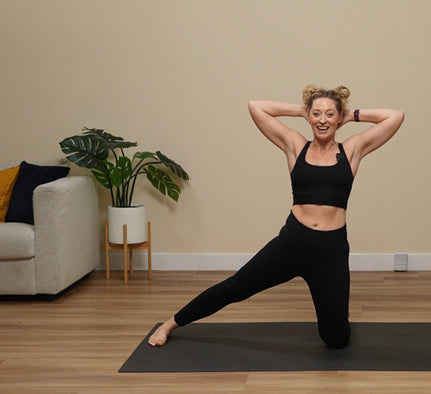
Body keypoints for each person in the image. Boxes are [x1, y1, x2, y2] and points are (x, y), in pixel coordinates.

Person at [148, 85, 405, 348]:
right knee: (235, 287)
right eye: (316, 114)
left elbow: (395, 116)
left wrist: (351, 114)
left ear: (339, 118)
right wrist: (302, 111)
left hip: (331, 250)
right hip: (293, 243)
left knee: (336, 339)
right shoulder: (296, 146)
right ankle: (171, 323)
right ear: (309, 117)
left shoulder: (351, 150)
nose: (322, 120)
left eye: (330, 115)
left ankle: (338, 313)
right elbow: (255, 107)